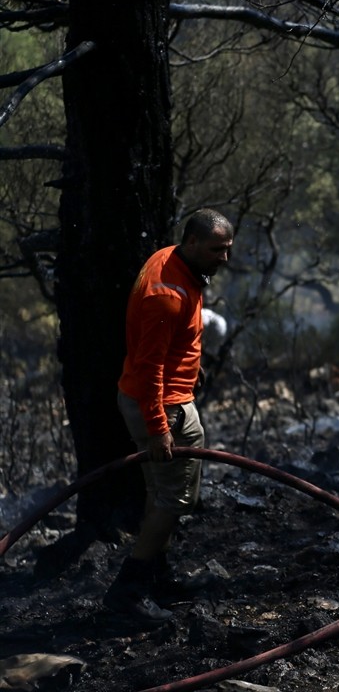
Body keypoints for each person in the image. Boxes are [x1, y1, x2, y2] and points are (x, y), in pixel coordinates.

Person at [104, 209, 234, 621]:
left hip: (164, 401)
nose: (224, 259)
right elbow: (149, 368)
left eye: (228, 250)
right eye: (217, 250)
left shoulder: (171, 258)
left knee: (162, 497)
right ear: (192, 242)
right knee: (174, 500)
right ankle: (127, 593)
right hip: (166, 407)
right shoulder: (166, 293)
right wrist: (160, 428)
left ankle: (157, 579)